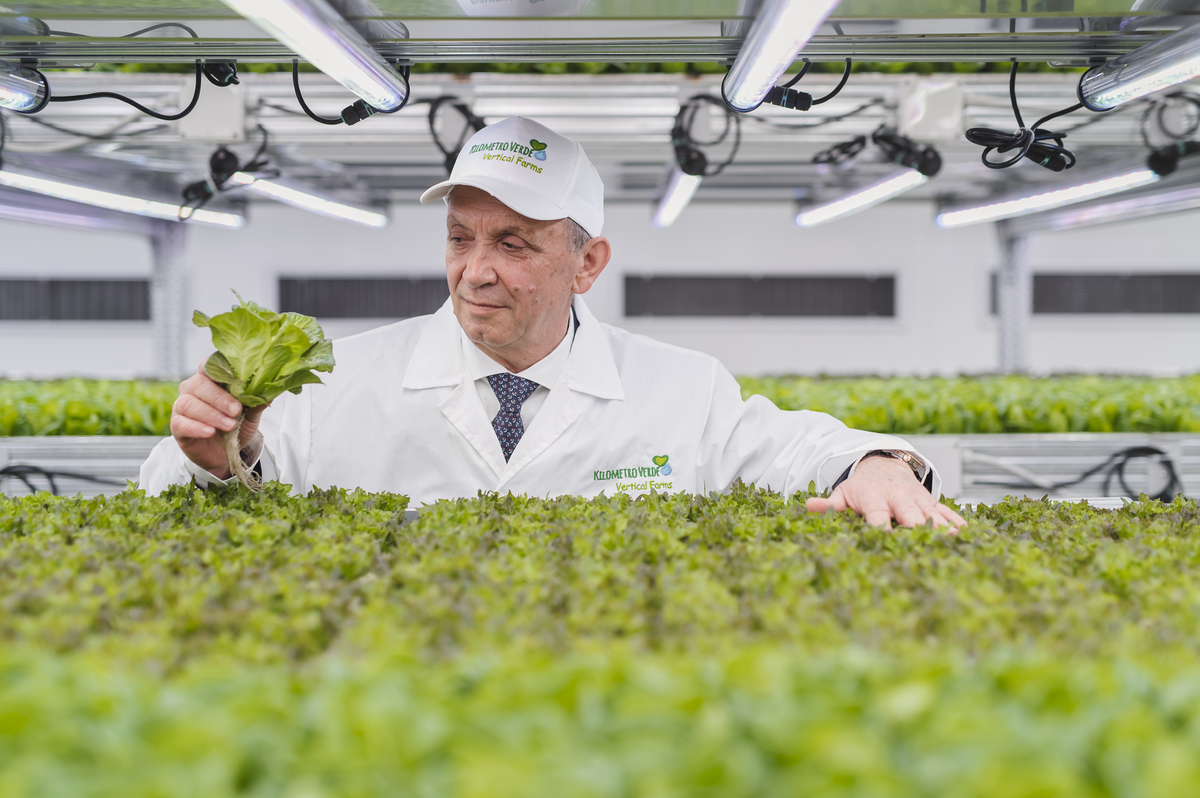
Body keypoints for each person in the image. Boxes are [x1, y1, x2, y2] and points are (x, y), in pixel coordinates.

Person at [140, 116, 966, 530]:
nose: (476, 270)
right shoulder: (332, 383)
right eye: (460, 238)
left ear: (588, 263)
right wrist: (216, 459)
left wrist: (879, 463)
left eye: (514, 243)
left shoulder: (680, 388)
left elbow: (795, 448)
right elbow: (172, 503)